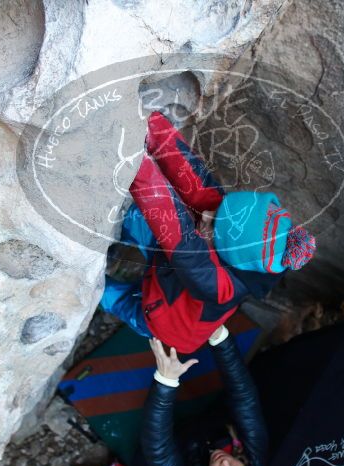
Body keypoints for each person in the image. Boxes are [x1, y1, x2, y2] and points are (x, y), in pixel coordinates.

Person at [100, 111, 316, 354]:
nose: (207, 215)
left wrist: (129, 150)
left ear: (228, 252)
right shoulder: (231, 224)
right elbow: (190, 175)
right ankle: (110, 242)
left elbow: (164, 211)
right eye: (222, 208)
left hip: (165, 321)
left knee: (106, 293)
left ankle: (97, 280)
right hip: (171, 262)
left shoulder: (218, 285)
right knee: (131, 220)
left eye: (215, 225)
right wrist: (149, 124)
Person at [127, 325, 271, 466]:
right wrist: (220, 338)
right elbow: (244, 399)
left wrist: (166, 381)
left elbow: (158, 448)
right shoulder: (255, 455)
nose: (225, 463)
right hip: (211, 424)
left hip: (180, 445)